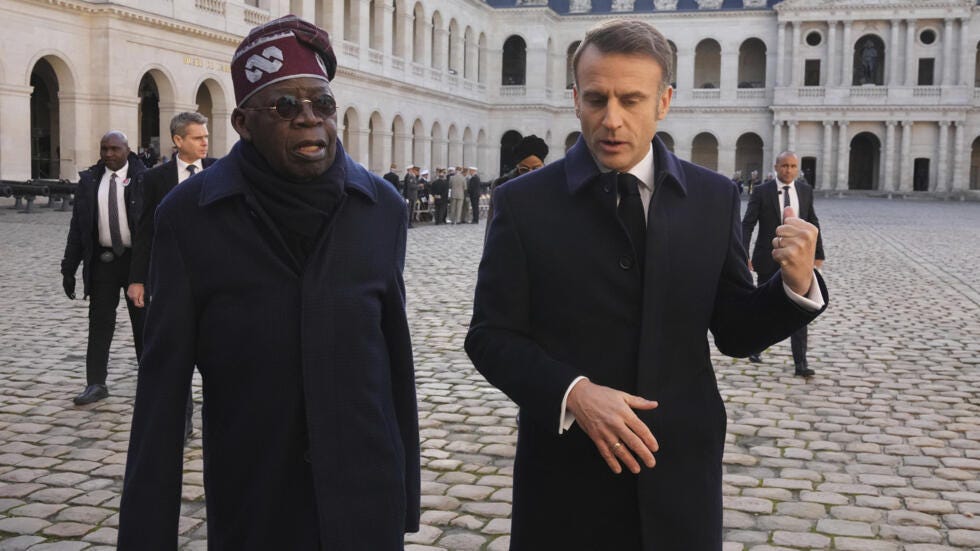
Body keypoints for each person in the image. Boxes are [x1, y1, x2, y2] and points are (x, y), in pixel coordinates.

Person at [465, 19, 828, 550]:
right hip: (567, 479)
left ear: (664, 102)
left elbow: (733, 330)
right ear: (575, 99)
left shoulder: (713, 197)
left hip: (677, 473)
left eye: (631, 100)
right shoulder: (524, 202)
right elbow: (490, 336)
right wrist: (574, 393)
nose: (611, 120)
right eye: (596, 99)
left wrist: (794, 286)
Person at [117, 15, 420, 549]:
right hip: (256, 498)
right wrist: (146, 533)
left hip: (365, 499)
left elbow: (394, 360)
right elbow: (162, 389)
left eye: (322, 105)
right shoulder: (189, 217)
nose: (309, 120)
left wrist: (405, 495)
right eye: (285, 107)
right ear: (242, 123)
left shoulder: (382, 209)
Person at [127, 111, 216, 439]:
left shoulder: (220, 172)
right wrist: (137, 279)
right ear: (178, 141)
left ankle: (220, 419)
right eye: (197, 137)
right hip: (173, 280)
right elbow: (145, 231)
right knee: (176, 352)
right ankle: (182, 422)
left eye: (206, 135)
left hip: (216, 278)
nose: (205, 141)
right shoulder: (155, 179)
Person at [61, 131, 147, 406]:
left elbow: (155, 228)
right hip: (103, 262)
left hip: (137, 263)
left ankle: (151, 379)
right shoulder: (89, 181)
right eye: (104, 149)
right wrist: (69, 268)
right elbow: (79, 229)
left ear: (127, 150)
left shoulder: (146, 179)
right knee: (99, 323)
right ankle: (95, 382)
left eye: (115, 149)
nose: (109, 154)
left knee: (143, 325)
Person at [742, 151, 825, 376]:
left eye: (793, 166)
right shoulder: (761, 191)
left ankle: (801, 363)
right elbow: (748, 223)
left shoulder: (805, 192)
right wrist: (742, 252)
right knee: (763, 305)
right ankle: (755, 347)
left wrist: (819, 254)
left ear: (797, 169)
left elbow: (812, 222)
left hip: (799, 261)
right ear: (776, 167)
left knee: (800, 307)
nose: (788, 170)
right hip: (767, 258)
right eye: (784, 166)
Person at [484, 134, 548, 239]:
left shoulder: (552, 184)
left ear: (543, 165)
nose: (530, 174)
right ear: (518, 167)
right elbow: (492, 224)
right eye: (524, 169)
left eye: (536, 169)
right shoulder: (501, 185)